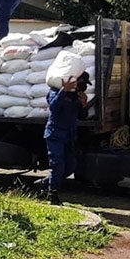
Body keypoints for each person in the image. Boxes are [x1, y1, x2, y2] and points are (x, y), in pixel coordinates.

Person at [38, 72, 90, 205]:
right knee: (58, 165)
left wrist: (84, 104)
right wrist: (63, 90)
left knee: (70, 167)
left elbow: (82, 116)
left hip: (69, 136)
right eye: (81, 82)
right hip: (55, 135)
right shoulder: (56, 92)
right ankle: (52, 195)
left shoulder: (76, 97)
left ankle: (43, 183)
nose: (82, 86)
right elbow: (54, 108)